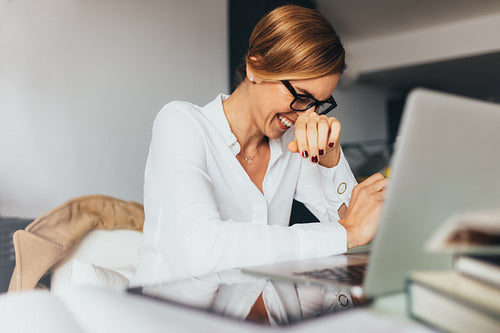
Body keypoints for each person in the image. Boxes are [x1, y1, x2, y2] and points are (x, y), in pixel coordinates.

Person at [132, 5, 387, 286]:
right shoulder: (181, 123)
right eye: (301, 96)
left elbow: (357, 228)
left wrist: (331, 160)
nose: (307, 115)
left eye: (318, 104)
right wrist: (345, 233)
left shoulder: (292, 145)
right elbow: (200, 249)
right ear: (256, 67)